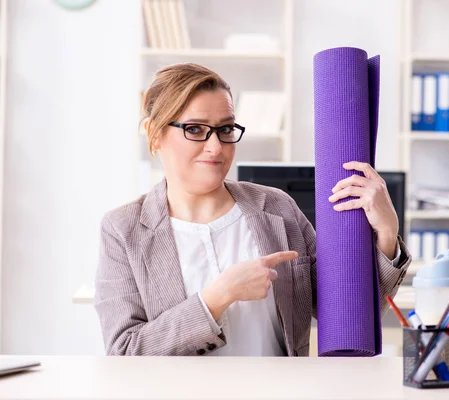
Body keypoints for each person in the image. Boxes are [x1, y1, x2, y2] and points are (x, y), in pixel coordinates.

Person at [94, 63, 411, 357]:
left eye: (226, 129)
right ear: (155, 134)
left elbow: (345, 309)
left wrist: (386, 233)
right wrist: (217, 297)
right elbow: (125, 351)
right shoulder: (123, 229)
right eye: (194, 129)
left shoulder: (277, 208)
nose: (215, 147)